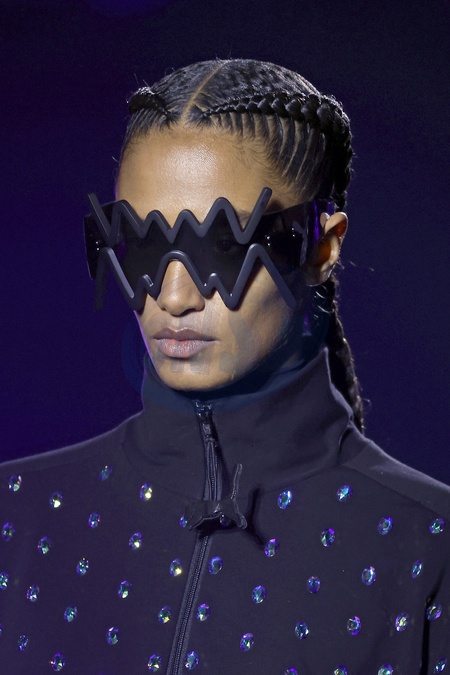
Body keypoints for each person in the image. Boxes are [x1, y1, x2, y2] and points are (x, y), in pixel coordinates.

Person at [0, 59, 449, 675]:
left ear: (322, 246)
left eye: (223, 244)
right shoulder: (16, 516)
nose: (174, 297)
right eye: (143, 244)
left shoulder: (427, 546)